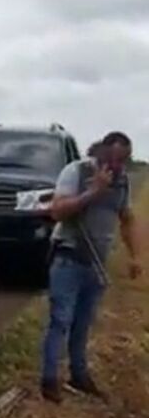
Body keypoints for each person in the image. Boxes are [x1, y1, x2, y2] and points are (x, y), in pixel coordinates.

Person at [41, 131, 141, 403]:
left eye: (124, 160)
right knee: (60, 319)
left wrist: (135, 256)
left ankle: (79, 375)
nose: (118, 165)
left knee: (83, 323)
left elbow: (127, 219)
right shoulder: (76, 172)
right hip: (68, 257)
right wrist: (92, 192)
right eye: (115, 158)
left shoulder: (122, 183)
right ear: (101, 152)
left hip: (96, 263)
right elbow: (58, 211)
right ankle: (49, 379)